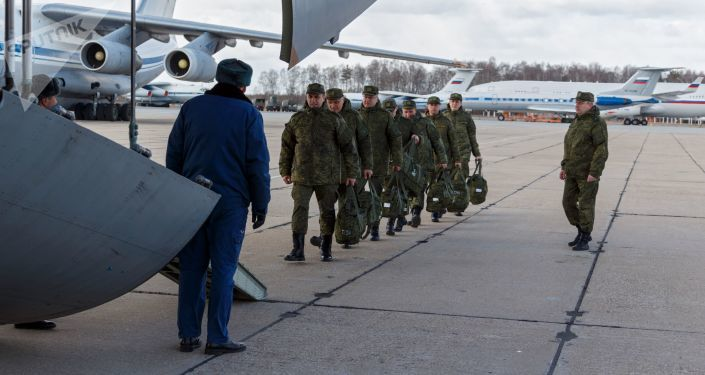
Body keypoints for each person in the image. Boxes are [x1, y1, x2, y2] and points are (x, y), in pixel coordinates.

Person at [166, 59, 271, 355]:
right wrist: (261, 203)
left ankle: (187, 336)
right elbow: (257, 165)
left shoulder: (191, 107)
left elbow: (174, 154)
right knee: (224, 271)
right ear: (244, 86)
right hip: (230, 204)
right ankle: (217, 337)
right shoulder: (249, 114)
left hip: (193, 199)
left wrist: (178, 193)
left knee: (191, 270)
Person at [279, 83, 359, 262]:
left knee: (327, 212)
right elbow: (287, 147)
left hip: (327, 176)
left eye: (317, 97)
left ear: (323, 98)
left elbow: (348, 147)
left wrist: (352, 173)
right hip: (302, 175)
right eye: (311, 97)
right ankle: (297, 249)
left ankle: (326, 249)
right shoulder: (297, 119)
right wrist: (285, 170)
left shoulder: (334, 119)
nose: (314, 100)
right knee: (299, 209)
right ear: (307, 97)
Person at [310, 87, 372, 248]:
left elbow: (364, 141)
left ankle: (348, 232)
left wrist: (367, 166)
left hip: (349, 171)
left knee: (347, 205)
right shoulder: (321, 116)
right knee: (326, 208)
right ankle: (325, 237)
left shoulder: (354, 117)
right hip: (328, 171)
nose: (333, 106)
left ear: (343, 100)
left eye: (336, 102)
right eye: (330, 102)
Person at [560, 91, 608, 251]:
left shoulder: (597, 122)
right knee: (567, 203)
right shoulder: (577, 121)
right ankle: (580, 231)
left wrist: (595, 172)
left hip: (587, 173)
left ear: (590, 104)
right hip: (572, 171)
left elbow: (602, 149)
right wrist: (564, 166)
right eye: (576, 102)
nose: (577, 105)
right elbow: (569, 145)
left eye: (580, 103)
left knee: (586, 206)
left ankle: (585, 237)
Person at [359, 86, 403, 239]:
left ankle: (374, 228)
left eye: (370, 97)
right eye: (365, 96)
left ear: (377, 98)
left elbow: (395, 139)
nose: (367, 99)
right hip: (356, 165)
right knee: (355, 197)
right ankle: (355, 227)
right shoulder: (355, 115)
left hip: (378, 164)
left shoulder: (385, 116)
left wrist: (397, 161)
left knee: (375, 198)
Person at [396, 100, 447, 228]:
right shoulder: (398, 123)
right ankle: (400, 218)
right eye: (405, 112)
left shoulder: (425, 122)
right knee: (401, 191)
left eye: (411, 111)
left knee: (418, 189)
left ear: (415, 110)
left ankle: (415, 213)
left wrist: (443, 160)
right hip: (403, 164)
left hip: (422, 163)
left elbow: (437, 141)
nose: (408, 114)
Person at [425, 96, 462, 222]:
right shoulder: (421, 121)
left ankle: (436, 210)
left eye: (436, 105)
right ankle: (433, 207)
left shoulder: (446, 122)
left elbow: (454, 142)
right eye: (431, 104)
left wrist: (457, 159)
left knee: (439, 186)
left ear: (439, 106)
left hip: (443, 161)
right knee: (429, 186)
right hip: (426, 161)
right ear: (427, 106)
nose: (434, 107)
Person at [444, 93, 481, 216]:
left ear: (460, 103)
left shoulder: (466, 117)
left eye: (457, 101)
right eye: (452, 101)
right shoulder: (443, 116)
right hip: (446, 153)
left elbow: (472, 136)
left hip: (463, 152)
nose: (454, 103)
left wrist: (477, 153)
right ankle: (444, 203)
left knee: (460, 179)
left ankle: (459, 205)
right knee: (445, 178)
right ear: (449, 102)